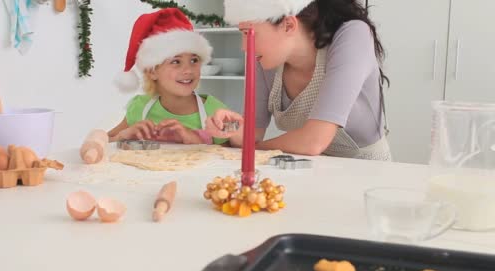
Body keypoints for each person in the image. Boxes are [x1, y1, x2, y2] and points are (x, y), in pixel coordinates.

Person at [206, 0, 392, 160]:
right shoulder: (266, 59)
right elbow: (252, 133)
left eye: (248, 33)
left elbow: (314, 141)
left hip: (366, 169)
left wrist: (252, 150)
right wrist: (230, 127)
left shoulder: (353, 35)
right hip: (311, 169)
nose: (244, 47)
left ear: (288, 25)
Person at [108, 8, 228, 145]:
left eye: (194, 60)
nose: (188, 70)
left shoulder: (215, 111)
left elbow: (233, 153)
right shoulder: (140, 107)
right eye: (176, 62)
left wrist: (194, 139)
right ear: (152, 71)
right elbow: (103, 142)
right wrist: (123, 135)